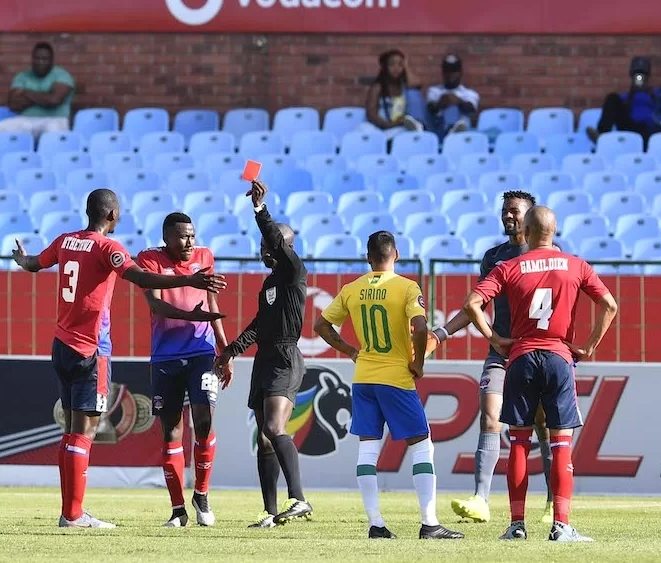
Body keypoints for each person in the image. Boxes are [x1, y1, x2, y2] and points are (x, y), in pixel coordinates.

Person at [11, 188, 226, 528]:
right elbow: (139, 277)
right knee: (85, 431)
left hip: (61, 345)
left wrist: (21, 259)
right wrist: (188, 278)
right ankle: (74, 514)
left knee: (70, 432)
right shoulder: (108, 248)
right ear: (112, 215)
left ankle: (70, 513)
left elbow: (34, 264)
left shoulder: (66, 241)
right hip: (91, 348)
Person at [463, 205, 618, 542]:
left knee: (518, 443)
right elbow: (610, 305)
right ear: (554, 231)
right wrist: (589, 345)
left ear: (527, 233)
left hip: (520, 358)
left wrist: (495, 339)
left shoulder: (509, 266)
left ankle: (516, 525)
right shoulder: (575, 265)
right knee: (561, 444)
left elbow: (472, 304)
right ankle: (561, 526)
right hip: (559, 358)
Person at [313, 230, 464, 540]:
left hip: (364, 378)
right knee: (422, 445)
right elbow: (420, 326)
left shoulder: (352, 289)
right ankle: (429, 523)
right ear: (396, 255)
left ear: (369, 258)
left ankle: (376, 524)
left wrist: (350, 350)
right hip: (395, 378)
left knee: (368, 449)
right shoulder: (406, 287)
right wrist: (418, 363)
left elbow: (320, 326)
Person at [433, 190, 555, 525]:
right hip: (501, 354)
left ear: (530, 218)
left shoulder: (550, 256)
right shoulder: (495, 257)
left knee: (543, 426)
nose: (507, 216)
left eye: (514, 211)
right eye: (505, 211)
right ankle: (481, 500)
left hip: (538, 353)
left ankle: (551, 501)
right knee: (490, 419)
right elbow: (476, 304)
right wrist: (443, 335)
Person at [213, 179, 312, 528]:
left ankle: (299, 499)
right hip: (265, 358)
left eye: (269, 244)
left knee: (273, 427)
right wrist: (231, 350)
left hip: (285, 357)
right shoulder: (271, 283)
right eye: (262, 246)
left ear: (284, 247)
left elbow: (275, 238)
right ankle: (270, 514)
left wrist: (260, 210)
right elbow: (259, 324)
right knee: (264, 439)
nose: (264, 250)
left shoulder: (293, 272)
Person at [136, 212, 229, 528]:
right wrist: (193, 316)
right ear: (167, 238)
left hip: (202, 354)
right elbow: (156, 305)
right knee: (171, 430)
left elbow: (212, 305)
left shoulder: (205, 256)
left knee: (203, 423)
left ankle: (201, 495)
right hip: (165, 358)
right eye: (182, 236)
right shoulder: (149, 259)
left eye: (192, 235)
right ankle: (178, 510)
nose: (189, 242)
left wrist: (224, 348)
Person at [0, 42, 75, 139]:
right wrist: (44, 97)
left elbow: (54, 100)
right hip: (26, 120)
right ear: (32, 59)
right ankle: (16, 154)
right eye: (37, 58)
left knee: (52, 131)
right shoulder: (22, 76)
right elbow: (13, 105)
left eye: (44, 59)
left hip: (55, 119)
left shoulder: (62, 75)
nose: (40, 62)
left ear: (52, 61)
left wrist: (25, 92)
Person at [586, 56, 661, 148]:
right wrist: (632, 94)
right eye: (636, 75)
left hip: (649, 131)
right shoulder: (626, 96)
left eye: (642, 75)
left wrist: (648, 92)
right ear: (631, 75)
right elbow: (616, 111)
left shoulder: (657, 94)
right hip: (630, 129)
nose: (639, 78)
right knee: (612, 97)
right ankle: (601, 136)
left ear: (647, 77)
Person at [358, 50, 424, 140]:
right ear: (385, 67)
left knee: (408, 133)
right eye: (392, 64)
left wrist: (406, 67)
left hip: (397, 127)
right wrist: (387, 125)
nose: (396, 68)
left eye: (400, 65)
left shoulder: (404, 85)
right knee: (363, 129)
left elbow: (417, 85)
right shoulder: (378, 87)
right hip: (379, 127)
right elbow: (371, 114)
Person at [425, 55, 480, 140]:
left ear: (460, 73)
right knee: (450, 102)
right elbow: (430, 109)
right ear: (443, 73)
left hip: (463, 136)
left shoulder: (469, 93)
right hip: (440, 133)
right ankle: (449, 130)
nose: (450, 74)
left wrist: (458, 101)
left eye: (454, 71)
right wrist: (440, 103)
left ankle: (453, 130)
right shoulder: (434, 91)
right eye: (447, 71)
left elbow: (471, 109)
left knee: (452, 104)